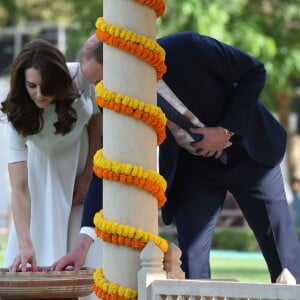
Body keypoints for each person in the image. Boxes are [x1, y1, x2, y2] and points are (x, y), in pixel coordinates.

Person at [53, 32, 300, 284]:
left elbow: (254, 71)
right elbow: (107, 167)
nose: (101, 89)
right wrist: (82, 244)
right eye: (96, 84)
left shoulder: (186, 48)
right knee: (190, 260)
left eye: (104, 79)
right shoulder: (117, 100)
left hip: (248, 153)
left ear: (126, 61)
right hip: (194, 171)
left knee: (284, 257)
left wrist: (226, 130)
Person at [0, 39, 102, 293]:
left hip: (81, 163)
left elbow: (95, 123)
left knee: (88, 248)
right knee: (44, 244)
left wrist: (89, 175)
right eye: (31, 85)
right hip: (43, 176)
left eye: (46, 86)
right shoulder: (17, 117)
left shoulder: (80, 78)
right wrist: (25, 243)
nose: (39, 93)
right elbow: (20, 188)